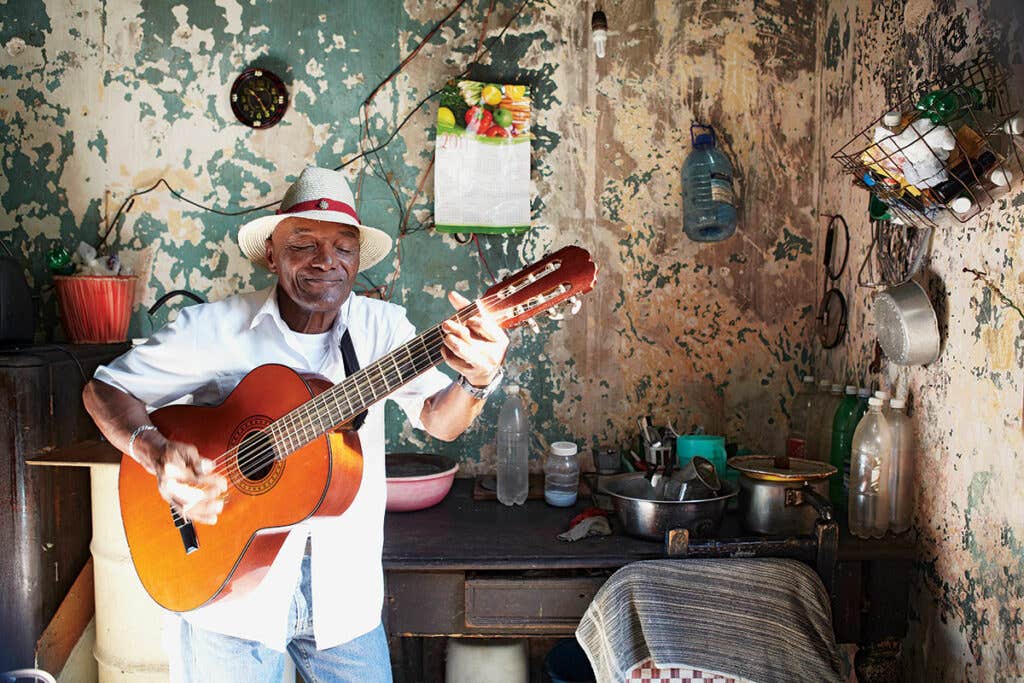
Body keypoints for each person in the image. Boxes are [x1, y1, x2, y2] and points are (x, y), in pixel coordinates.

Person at [82, 167, 509, 682]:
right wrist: (155, 454)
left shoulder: (383, 329)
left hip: (344, 597)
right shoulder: (214, 329)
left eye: (343, 247)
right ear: (272, 253)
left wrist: (477, 380)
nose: (326, 261)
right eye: (304, 244)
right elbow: (104, 390)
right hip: (230, 592)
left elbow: (440, 420)